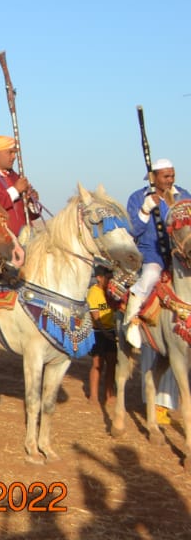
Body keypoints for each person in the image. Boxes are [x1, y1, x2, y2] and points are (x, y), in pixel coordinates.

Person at [123, 157, 190, 349]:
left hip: (180, 253)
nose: (170, 180)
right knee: (150, 275)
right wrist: (145, 210)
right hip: (151, 252)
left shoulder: (183, 195)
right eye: (166, 176)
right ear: (153, 178)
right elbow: (132, 231)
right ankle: (132, 321)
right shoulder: (137, 198)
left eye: (172, 175)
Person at [86, 269, 117, 406]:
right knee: (97, 364)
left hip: (109, 330)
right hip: (98, 332)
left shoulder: (110, 292)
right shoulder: (93, 292)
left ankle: (108, 395)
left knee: (111, 365)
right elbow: (96, 317)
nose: (109, 281)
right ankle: (93, 396)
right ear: (99, 277)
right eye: (107, 278)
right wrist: (106, 332)